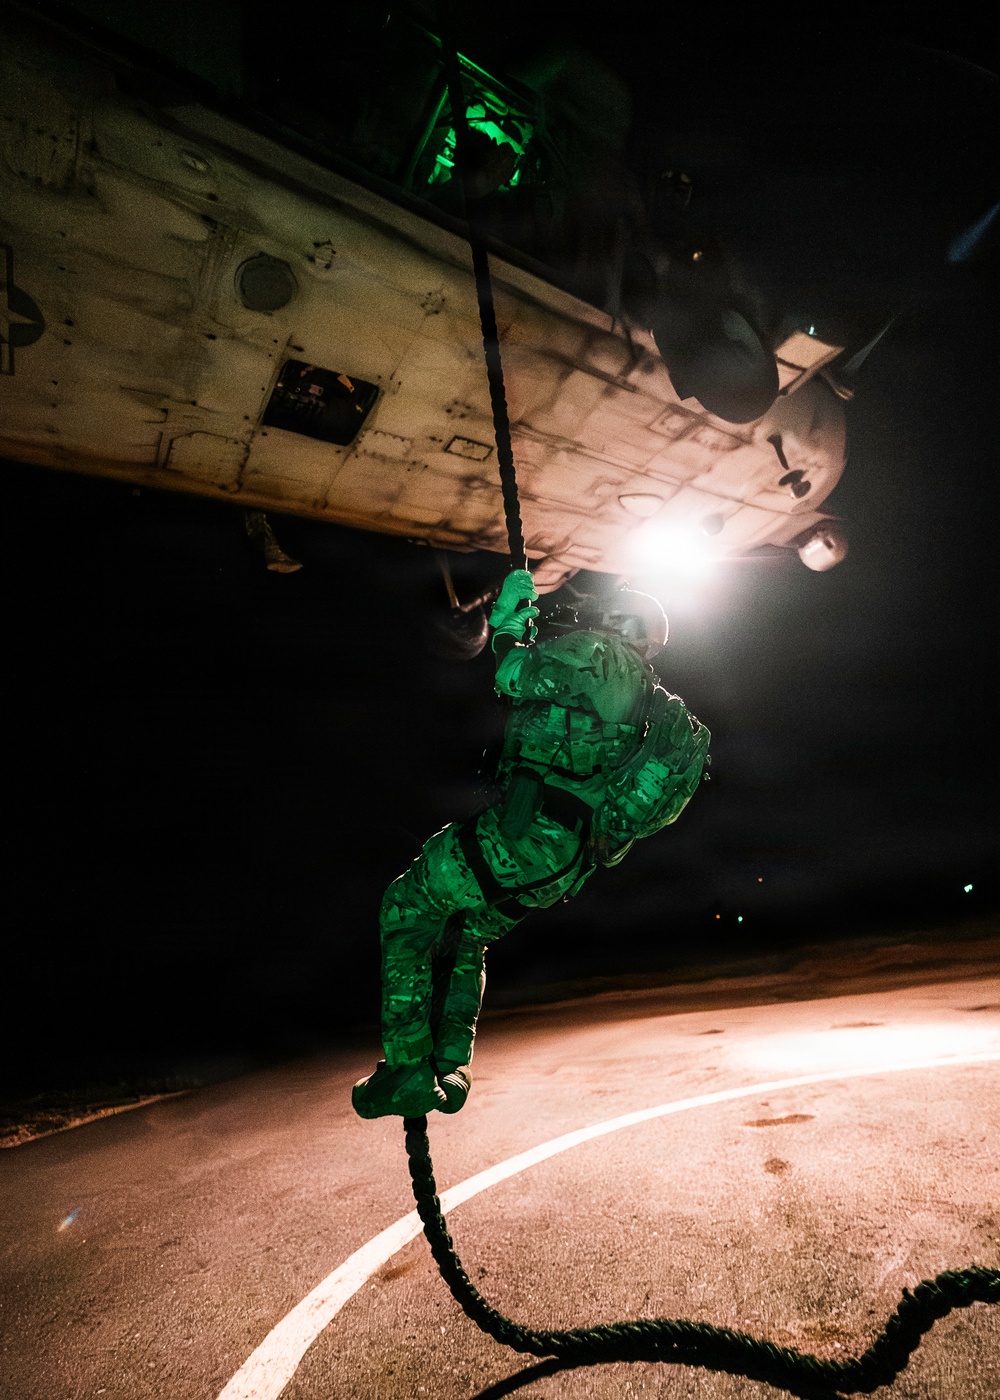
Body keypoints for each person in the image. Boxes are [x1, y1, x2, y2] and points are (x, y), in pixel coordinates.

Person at [352, 570, 710, 1119]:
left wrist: (503, 631)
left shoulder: (600, 656)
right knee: (468, 937)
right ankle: (449, 1065)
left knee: (407, 906)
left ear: (619, 626)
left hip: (526, 839)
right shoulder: (640, 692)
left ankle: (405, 1070)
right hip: (563, 863)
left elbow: (514, 677)